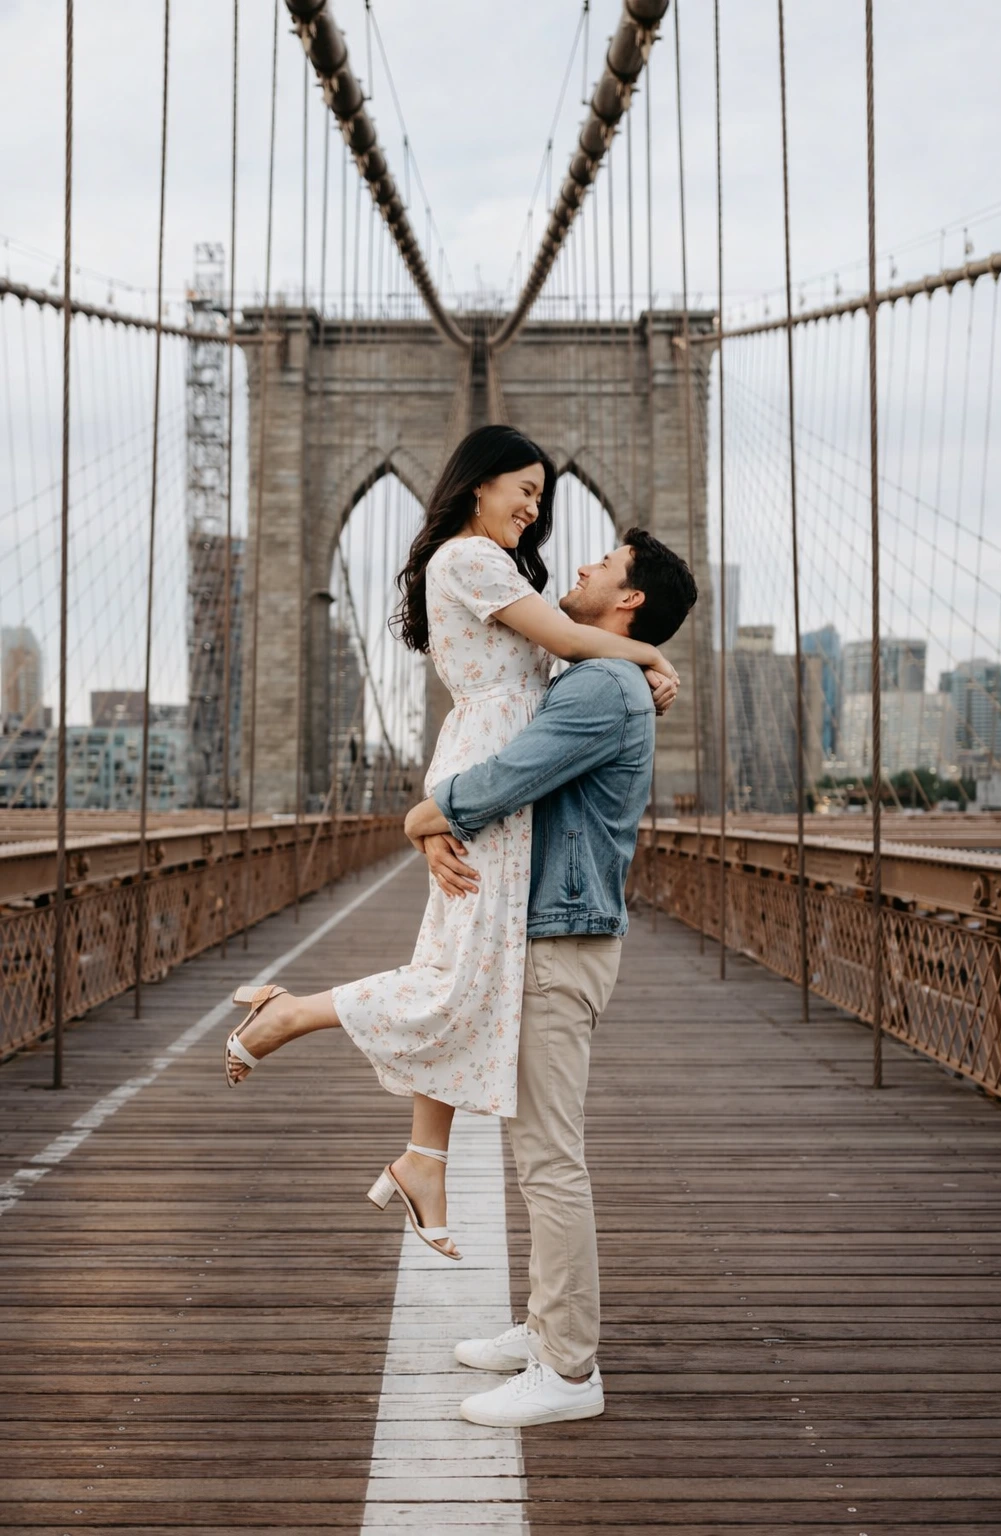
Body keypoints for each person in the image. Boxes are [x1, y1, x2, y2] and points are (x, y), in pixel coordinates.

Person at [223, 425, 679, 1264]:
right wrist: (650, 651)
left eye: (543, 497)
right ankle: (290, 1016)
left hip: (491, 766)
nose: (536, 510)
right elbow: (574, 643)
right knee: (465, 975)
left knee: (461, 965)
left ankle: (423, 1161)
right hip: (494, 768)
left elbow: (565, 655)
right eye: (525, 490)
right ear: (479, 486)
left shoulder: (490, 565)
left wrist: (442, 814)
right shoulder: (472, 561)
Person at [402, 524, 697, 1427]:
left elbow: (506, 780)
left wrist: (426, 813)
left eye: (601, 563)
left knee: (549, 1161)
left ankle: (569, 1371)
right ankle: (544, 1327)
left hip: (560, 943)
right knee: (541, 1153)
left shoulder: (601, 688)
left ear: (630, 597)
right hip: (555, 932)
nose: (576, 564)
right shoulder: (600, 675)